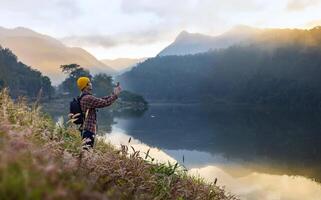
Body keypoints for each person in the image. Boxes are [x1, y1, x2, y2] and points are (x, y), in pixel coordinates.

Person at [76, 76, 121, 148]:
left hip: (84, 129)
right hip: (88, 131)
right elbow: (105, 102)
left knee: (85, 152)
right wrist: (115, 95)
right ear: (86, 85)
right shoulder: (88, 98)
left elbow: (100, 100)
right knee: (87, 153)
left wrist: (113, 93)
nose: (91, 84)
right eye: (89, 82)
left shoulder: (83, 96)